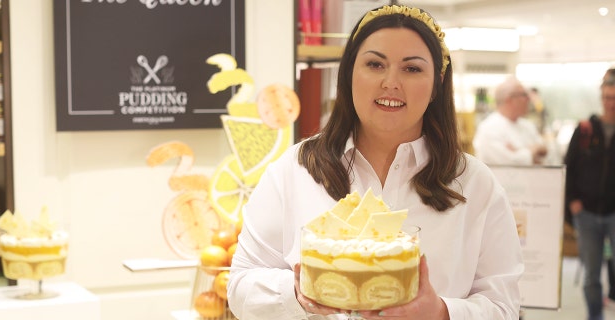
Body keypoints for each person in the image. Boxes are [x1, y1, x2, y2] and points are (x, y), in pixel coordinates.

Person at [228, 4, 523, 320]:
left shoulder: (475, 184)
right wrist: (297, 293)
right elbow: (240, 286)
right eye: (374, 64)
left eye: (411, 68)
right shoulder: (294, 170)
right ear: (349, 73)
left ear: (437, 82)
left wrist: (440, 312)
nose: (390, 82)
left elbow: (504, 307)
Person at [565, 67, 615, 320]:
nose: (610, 104)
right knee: (591, 275)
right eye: (607, 98)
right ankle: (595, 317)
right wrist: (572, 201)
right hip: (586, 214)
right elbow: (569, 167)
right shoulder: (585, 130)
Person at [472, 76, 548, 165]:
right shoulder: (488, 129)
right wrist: (533, 150)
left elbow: (544, 152)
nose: (529, 99)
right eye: (524, 95)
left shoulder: (527, 125)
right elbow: (512, 164)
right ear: (509, 99)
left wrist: (521, 152)